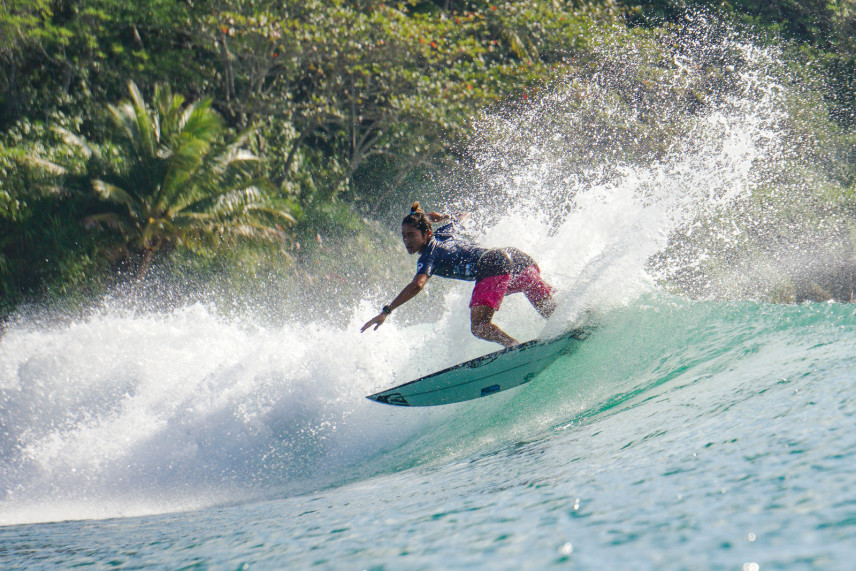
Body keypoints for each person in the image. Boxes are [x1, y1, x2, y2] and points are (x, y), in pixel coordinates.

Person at [361, 202, 556, 347]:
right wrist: (442, 217)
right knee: (552, 312)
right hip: (515, 258)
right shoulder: (445, 232)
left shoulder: (429, 254)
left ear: (427, 234)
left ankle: (514, 347)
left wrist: (386, 311)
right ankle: (567, 323)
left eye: (411, 235)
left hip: (493, 264)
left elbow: (417, 284)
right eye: (404, 235)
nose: (406, 240)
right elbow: (464, 216)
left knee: (479, 326)